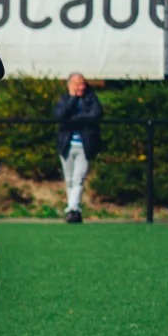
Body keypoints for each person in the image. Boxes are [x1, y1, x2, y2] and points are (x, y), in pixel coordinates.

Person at [54, 73, 102, 224]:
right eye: (77, 84)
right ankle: (75, 210)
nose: (81, 87)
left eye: (82, 84)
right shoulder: (64, 99)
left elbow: (95, 114)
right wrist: (72, 99)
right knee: (69, 179)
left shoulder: (91, 98)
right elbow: (60, 115)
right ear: (70, 85)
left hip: (83, 145)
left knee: (78, 179)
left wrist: (74, 120)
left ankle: (72, 209)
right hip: (66, 145)